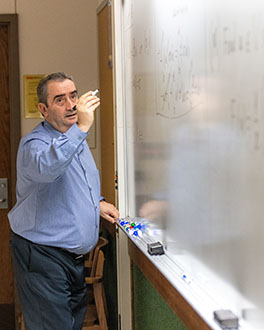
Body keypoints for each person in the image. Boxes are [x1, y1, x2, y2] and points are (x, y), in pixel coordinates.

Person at [8, 72, 119, 330]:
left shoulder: (74, 140)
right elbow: (49, 169)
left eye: (73, 96)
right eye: (60, 100)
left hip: (72, 259)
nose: (71, 105)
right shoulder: (34, 145)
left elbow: (77, 183)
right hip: (41, 255)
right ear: (43, 110)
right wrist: (81, 127)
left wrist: (97, 203)